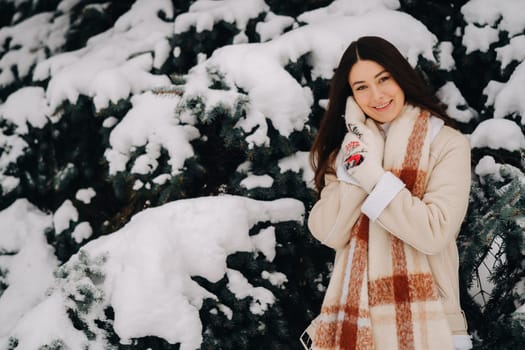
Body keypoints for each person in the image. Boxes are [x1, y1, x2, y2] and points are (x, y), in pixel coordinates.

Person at [301, 36, 473, 350]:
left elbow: (434, 232)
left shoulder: (447, 144)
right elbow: (329, 231)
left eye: (384, 79)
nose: (376, 95)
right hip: (356, 325)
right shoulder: (347, 155)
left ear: (400, 76)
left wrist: (371, 175)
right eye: (361, 87)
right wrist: (362, 155)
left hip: (430, 326)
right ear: (350, 97)